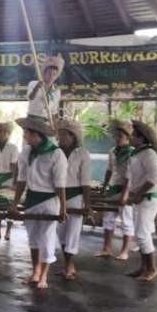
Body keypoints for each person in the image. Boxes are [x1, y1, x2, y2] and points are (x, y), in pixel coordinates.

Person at [10, 116, 67, 290]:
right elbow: (21, 179)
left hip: (49, 200)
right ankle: (35, 271)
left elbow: (59, 184)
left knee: (47, 238)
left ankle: (43, 276)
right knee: (33, 238)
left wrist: (63, 208)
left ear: (37, 134)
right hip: (32, 199)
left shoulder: (56, 153)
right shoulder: (26, 152)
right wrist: (15, 203)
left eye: (27, 133)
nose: (25, 135)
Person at [124, 120, 157, 282]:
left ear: (141, 138)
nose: (131, 138)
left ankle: (152, 269)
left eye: (133, 135)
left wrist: (139, 194)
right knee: (140, 234)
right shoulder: (138, 153)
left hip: (148, 197)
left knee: (142, 233)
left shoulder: (149, 153)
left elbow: (153, 178)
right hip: (139, 197)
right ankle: (143, 267)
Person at [56, 119, 92, 280]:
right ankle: (67, 263)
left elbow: (85, 181)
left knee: (72, 231)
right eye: (59, 134)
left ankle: (69, 265)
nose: (60, 137)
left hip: (75, 196)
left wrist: (87, 203)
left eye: (64, 134)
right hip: (57, 196)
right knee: (61, 232)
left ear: (72, 136)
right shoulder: (55, 152)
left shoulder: (82, 153)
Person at [96, 119, 136, 260]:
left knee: (126, 219)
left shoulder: (132, 152)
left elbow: (131, 175)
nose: (117, 138)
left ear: (127, 137)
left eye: (120, 136)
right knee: (108, 219)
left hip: (127, 189)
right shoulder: (112, 151)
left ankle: (125, 251)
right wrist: (104, 186)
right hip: (113, 188)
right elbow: (109, 170)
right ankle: (106, 248)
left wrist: (126, 193)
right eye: (115, 136)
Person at [0, 120, 20, 241]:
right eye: (1, 131)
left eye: (5, 131)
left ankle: (8, 232)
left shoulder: (13, 147)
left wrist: (14, 182)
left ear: (9, 132)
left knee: (9, 205)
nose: (3, 133)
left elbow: (14, 165)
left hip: (8, 177)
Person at [26, 54, 64, 121]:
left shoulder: (57, 91)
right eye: (49, 73)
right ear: (44, 73)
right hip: (31, 119)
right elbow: (30, 98)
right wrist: (36, 88)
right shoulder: (33, 83)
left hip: (46, 121)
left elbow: (54, 111)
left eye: (54, 74)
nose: (51, 76)